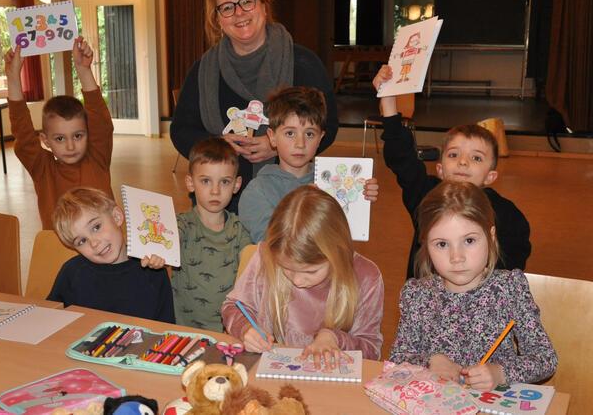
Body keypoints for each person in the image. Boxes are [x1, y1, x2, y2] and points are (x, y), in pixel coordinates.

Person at [170, 0, 339, 211]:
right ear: (218, 19)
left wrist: (277, 145)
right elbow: (181, 131)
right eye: (227, 7)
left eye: (247, 2)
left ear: (264, 7)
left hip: (288, 203)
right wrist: (217, 145)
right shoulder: (203, 71)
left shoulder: (303, 64)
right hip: (221, 208)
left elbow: (328, 126)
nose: (239, 13)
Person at [389, 181, 556, 391]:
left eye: (469, 241)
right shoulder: (417, 294)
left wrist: (500, 372)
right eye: (442, 244)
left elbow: (545, 358)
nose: (456, 257)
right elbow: (397, 358)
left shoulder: (510, 288)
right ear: (426, 245)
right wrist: (431, 361)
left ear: (491, 236)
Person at [374, 65, 531, 279]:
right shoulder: (426, 196)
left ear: (490, 176)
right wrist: (389, 101)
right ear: (440, 169)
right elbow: (402, 158)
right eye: (454, 155)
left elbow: (514, 263)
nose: (463, 162)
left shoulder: (506, 215)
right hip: (427, 306)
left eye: (476, 158)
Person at [222, 185, 384, 365]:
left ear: (337, 254)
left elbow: (371, 350)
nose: (297, 281)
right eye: (286, 268)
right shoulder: (265, 258)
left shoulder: (366, 276)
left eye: (310, 271)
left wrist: (335, 338)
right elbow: (233, 307)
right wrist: (245, 329)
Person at [238, 86, 378, 242]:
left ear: (320, 138)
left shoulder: (332, 184)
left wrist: (358, 197)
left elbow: (342, 237)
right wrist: (305, 204)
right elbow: (274, 241)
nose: (300, 143)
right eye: (290, 133)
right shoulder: (257, 191)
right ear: (272, 137)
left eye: (310, 134)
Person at [5, 37, 114, 230]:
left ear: (88, 134)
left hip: (105, 250)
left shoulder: (97, 159)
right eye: (60, 139)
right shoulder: (43, 169)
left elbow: (101, 123)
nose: (70, 146)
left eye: (78, 136)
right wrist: (13, 78)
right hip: (60, 255)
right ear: (45, 140)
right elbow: (23, 133)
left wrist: (83, 70)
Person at [47, 187, 174, 323]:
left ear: (116, 217)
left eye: (96, 227)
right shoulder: (72, 272)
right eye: (82, 241)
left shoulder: (152, 269)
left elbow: (165, 327)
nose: (94, 243)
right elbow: (49, 318)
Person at [173, 137, 252, 331]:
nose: (215, 191)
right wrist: (156, 254)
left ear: (236, 185)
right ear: (190, 183)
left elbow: (251, 266)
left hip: (229, 332)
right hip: (185, 331)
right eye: (206, 181)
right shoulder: (179, 225)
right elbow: (162, 244)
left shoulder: (240, 229)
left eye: (224, 182)